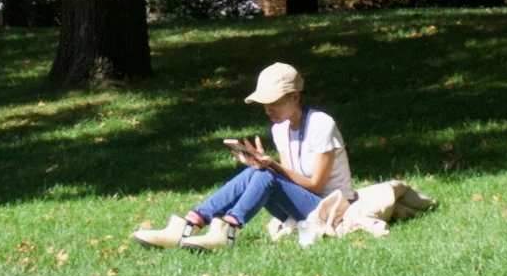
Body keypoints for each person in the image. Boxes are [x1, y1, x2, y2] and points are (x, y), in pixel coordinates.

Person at [132, 62, 355, 252]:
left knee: (266, 176)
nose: (268, 109)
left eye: (274, 102)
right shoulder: (280, 129)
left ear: (295, 97)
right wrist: (263, 164)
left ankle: (226, 230)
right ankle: (191, 223)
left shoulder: (321, 124)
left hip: (330, 208)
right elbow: (290, 178)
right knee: (257, 172)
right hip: (301, 206)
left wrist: (273, 165)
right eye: (265, 103)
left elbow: (316, 186)